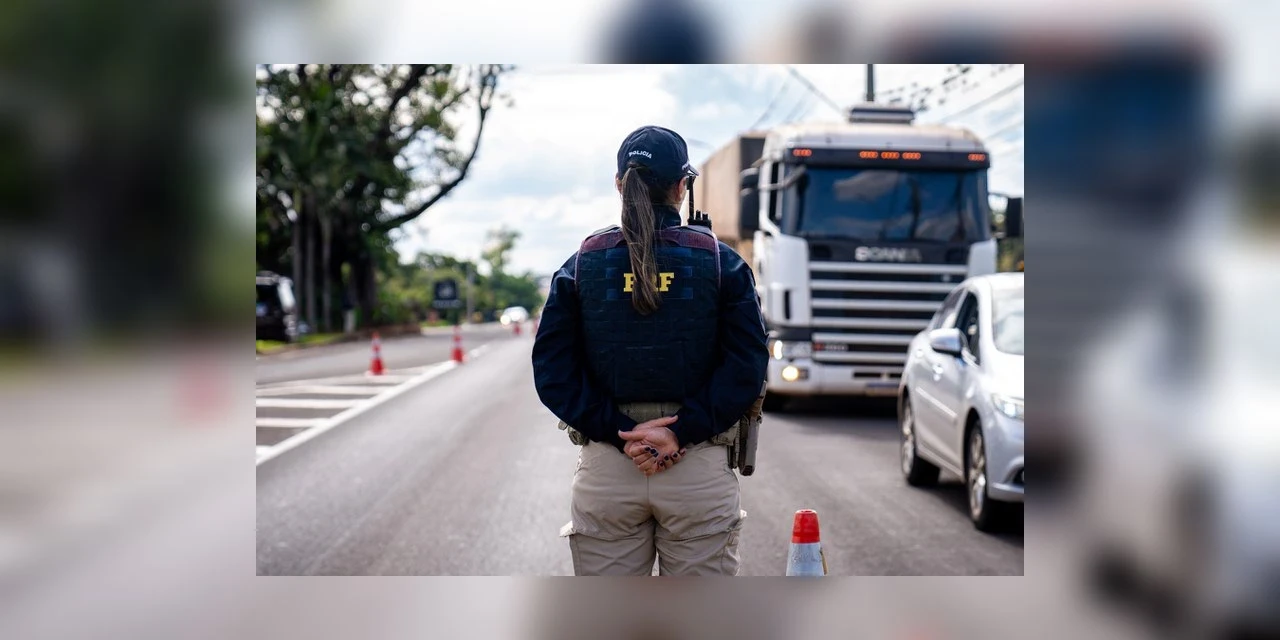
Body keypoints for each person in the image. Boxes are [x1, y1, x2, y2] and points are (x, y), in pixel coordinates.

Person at [532, 125, 768, 576]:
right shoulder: (724, 263)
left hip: (608, 467)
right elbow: (748, 365)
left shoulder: (580, 265)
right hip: (696, 467)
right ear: (682, 187)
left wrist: (623, 433)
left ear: (620, 185)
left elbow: (553, 372)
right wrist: (679, 432)